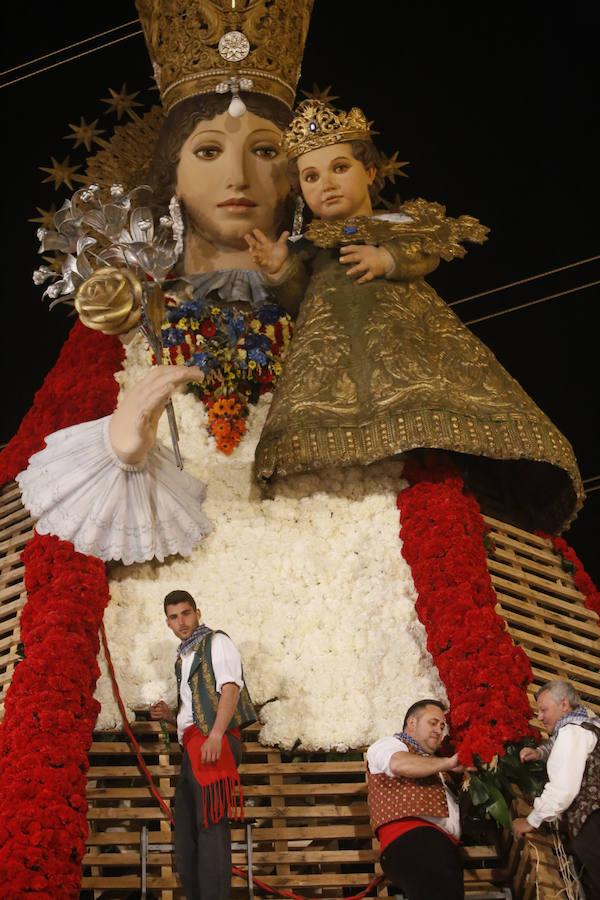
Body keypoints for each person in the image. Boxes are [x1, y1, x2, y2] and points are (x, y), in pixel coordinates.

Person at [245, 99, 581, 535]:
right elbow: (299, 299)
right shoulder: (310, 245)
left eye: (339, 168)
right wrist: (279, 270)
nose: (325, 184)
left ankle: (435, 481)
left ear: (369, 171)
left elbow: (426, 250)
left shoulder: (397, 221)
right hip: (329, 354)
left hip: (403, 338)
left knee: (423, 419)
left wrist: (387, 257)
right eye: (311, 176)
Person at [150, 589, 257, 900]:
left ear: (197, 612)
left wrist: (215, 735)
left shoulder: (217, 641)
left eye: (186, 613)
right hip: (191, 744)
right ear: (167, 622)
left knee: (210, 826)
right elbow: (194, 710)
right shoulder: (183, 658)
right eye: (174, 616)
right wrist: (170, 716)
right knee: (186, 830)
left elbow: (229, 688)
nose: (181, 621)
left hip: (212, 741)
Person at [366, 699, 465, 900]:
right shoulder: (390, 744)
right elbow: (398, 764)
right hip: (412, 840)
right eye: (433, 723)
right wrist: (447, 763)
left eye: (442, 726)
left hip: (441, 849)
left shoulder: (438, 766)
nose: (439, 730)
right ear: (412, 722)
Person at [512, 680, 600, 900]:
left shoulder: (572, 731)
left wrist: (532, 820)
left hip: (593, 822)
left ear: (564, 705)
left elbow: (564, 789)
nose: (539, 717)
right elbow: (561, 747)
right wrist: (540, 753)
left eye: (543, 710)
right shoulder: (589, 725)